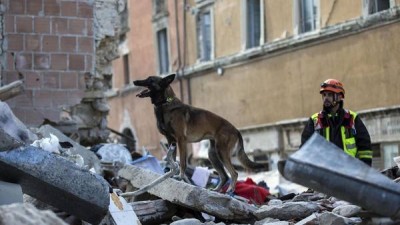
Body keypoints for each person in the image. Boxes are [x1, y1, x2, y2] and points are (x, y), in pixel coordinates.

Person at [301, 79, 373, 166]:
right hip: (325, 173)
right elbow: (305, 149)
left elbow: (365, 148)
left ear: (339, 96)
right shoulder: (315, 121)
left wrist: (364, 170)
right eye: (324, 95)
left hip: (349, 173)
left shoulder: (352, 118)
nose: (326, 98)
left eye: (330, 95)